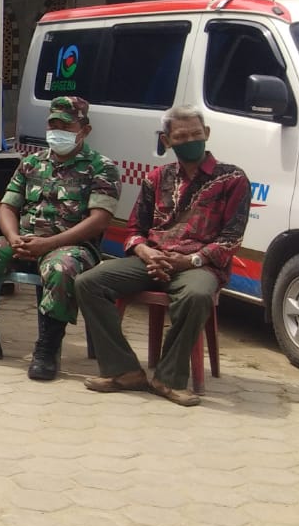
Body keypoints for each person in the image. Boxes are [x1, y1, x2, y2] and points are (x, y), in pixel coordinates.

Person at [76, 105, 250, 406]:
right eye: (181, 136)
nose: (190, 140)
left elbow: (231, 238)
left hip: (198, 264)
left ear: (207, 133)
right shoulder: (156, 177)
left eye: (196, 134)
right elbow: (135, 229)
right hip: (152, 259)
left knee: (196, 296)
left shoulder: (232, 179)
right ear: (167, 141)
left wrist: (190, 260)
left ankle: (168, 379)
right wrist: (145, 252)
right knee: (88, 282)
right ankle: (124, 370)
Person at [0, 95, 119, 379]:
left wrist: (49, 243)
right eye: (53, 125)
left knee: (60, 269)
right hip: (23, 241)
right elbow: (7, 206)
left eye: (66, 126)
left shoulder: (101, 167)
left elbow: (99, 220)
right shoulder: (31, 163)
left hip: (71, 246)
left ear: (85, 129)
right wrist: (13, 237)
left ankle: (46, 351)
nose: (57, 131)